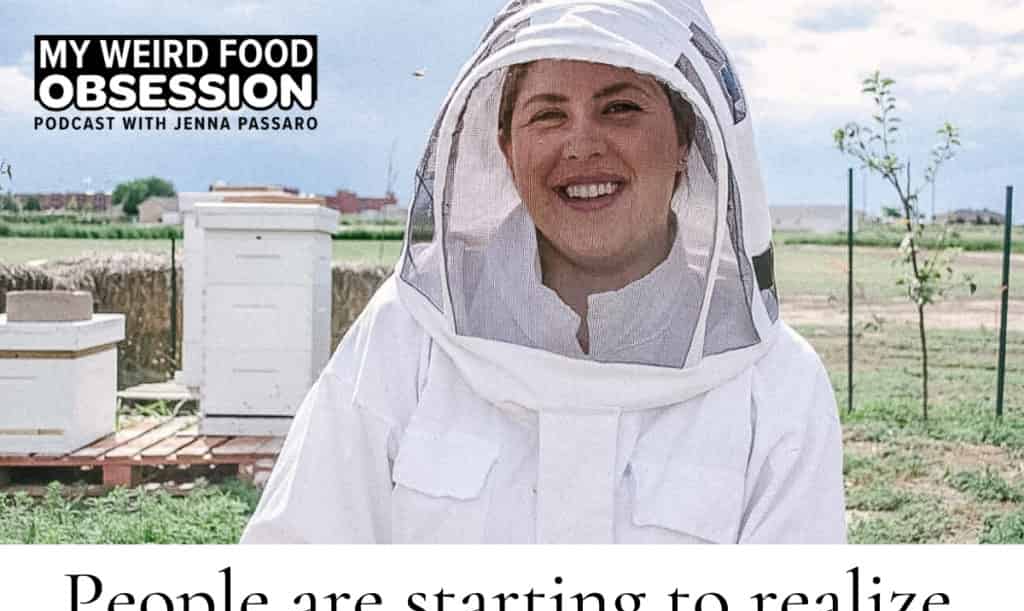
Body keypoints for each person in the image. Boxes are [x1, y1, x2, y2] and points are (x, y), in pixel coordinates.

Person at [242, 0, 846, 544]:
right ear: (506, 147)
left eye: (620, 107)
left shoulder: (775, 382)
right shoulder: (408, 335)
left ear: (687, 139)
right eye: (547, 115)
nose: (582, 146)